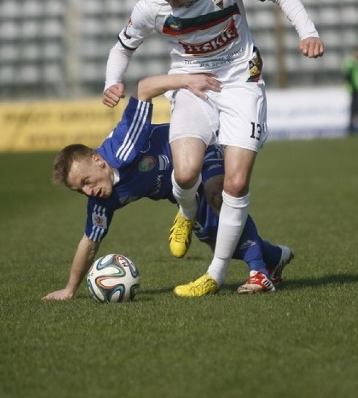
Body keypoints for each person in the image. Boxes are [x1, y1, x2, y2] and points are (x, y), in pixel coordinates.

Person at [101, 0, 323, 297]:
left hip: (240, 82)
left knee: (232, 184)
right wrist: (112, 81)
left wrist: (307, 32)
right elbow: (122, 48)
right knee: (186, 174)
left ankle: (216, 274)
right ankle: (186, 214)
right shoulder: (149, 6)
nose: (172, 5)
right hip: (191, 83)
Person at [43, 73, 294, 300]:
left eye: (86, 182)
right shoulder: (101, 200)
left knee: (218, 194)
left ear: (98, 161)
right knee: (219, 240)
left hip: (200, 148)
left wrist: (187, 80)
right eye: (80, 190)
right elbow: (89, 243)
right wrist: (69, 289)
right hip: (182, 193)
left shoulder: (124, 145)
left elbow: (144, 88)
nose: (88, 192)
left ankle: (259, 273)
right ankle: (274, 256)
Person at [343, 48, 358, 135]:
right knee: (357, 110)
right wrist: (353, 86)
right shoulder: (352, 62)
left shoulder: (355, 63)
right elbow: (348, 75)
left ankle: (353, 129)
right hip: (354, 89)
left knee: (355, 110)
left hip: (356, 89)